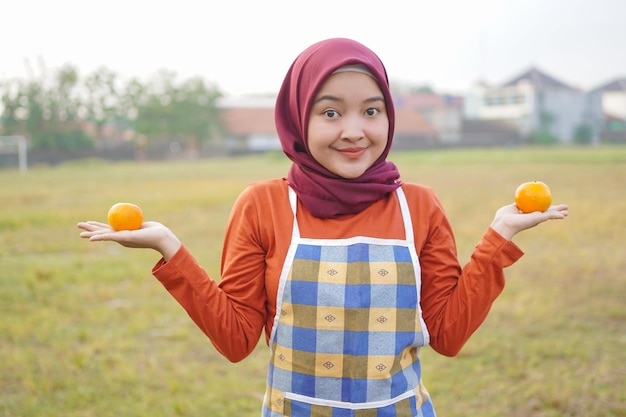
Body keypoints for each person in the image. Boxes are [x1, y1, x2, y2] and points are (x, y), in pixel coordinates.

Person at [78, 37, 568, 417]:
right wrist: (169, 247)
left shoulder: (417, 206)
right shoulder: (263, 205)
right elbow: (235, 339)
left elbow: (448, 334)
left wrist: (499, 238)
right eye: (331, 112)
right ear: (298, 119)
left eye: (371, 110)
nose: (354, 130)